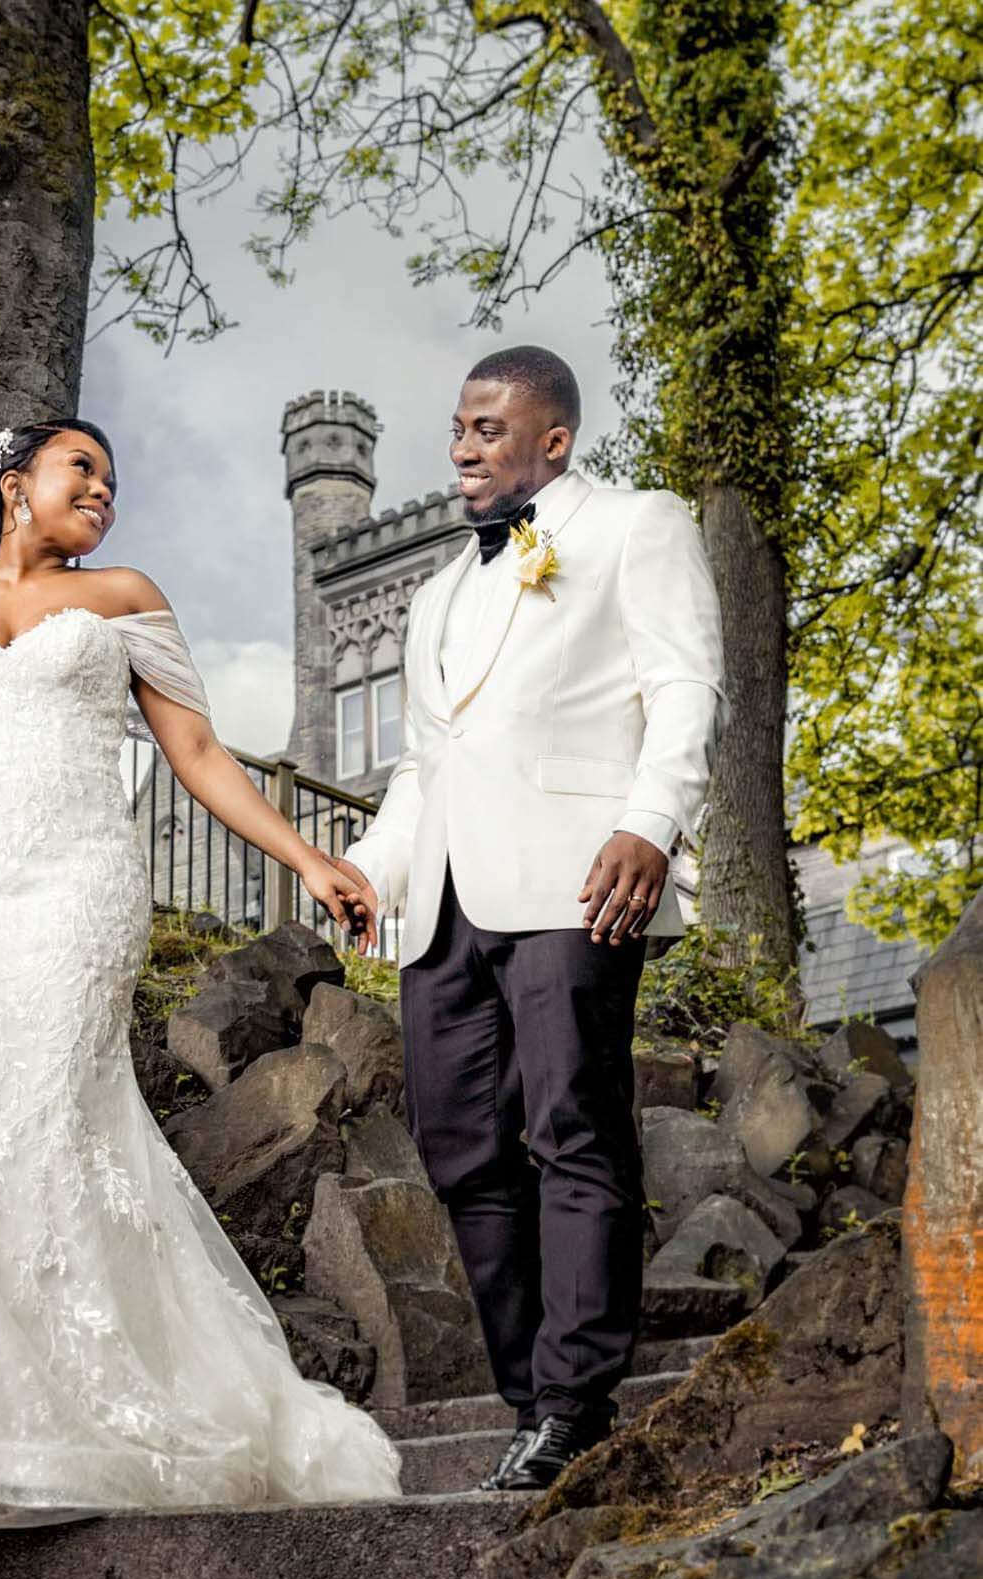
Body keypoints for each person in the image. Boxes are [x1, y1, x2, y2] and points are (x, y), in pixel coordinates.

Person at [0, 416, 402, 1547]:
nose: (103, 489)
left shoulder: (122, 594)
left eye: (113, 477)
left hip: (73, 890)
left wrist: (308, 858)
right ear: (11, 484)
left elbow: (196, 755)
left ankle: (95, 1416)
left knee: (48, 1119)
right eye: (80, 467)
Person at [332, 347, 728, 1493]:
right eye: (456, 424)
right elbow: (422, 762)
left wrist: (650, 821)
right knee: (461, 1151)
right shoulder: (437, 591)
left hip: (575, 879)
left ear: (552, 437)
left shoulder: (636, 524)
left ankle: (574, 1398)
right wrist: (369, 865)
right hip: (442, 905)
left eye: (488, 424)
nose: (462, 443)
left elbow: (684, 684)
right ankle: (526, 1399)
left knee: (573, 1130)